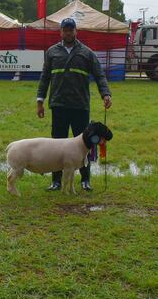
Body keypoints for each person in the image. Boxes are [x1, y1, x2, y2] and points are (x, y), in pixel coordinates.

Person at [37, 17, 112, 191]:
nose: (68, 32)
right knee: (57, 145)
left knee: (85, 145)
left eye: (71, 30)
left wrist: (106, 94)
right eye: (65, 30)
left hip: (80, 106)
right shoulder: (51, 52)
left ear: (76, 31)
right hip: (59, 105)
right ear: (61, 32)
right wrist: (40, 101)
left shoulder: (86, 53)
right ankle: (56, 181)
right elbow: (44, 78)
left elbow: (99, 75)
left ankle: (85, 180)